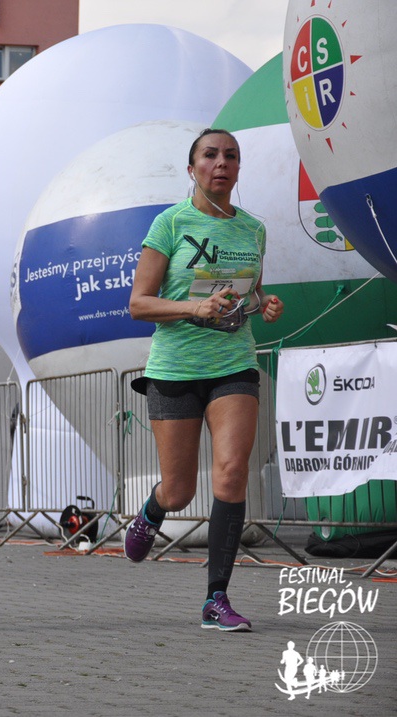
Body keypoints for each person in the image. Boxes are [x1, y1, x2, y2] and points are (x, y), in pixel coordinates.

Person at [126, 128, 284, 632]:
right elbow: (138, 304)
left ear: (238, 168)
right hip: (175, 368)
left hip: (233, 364)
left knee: (232, 473)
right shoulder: (171, 223)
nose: (221, 163)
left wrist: (265, 303)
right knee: (179, 491)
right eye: (210, 155)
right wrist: (193, 307)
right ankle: (152, 511)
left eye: (230, 156)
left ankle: (216, 598)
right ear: (191, 167)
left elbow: (249, 294)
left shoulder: (253, 229)